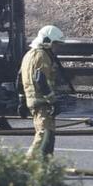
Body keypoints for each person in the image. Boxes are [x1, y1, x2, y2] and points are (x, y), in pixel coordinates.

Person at [20, 24, 66, 157]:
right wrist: (52, 101)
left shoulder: (28, 55)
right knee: (44, 135)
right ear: (47, 42)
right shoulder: (42, 56)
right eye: (56, 44)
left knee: (48, 134)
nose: (57, 48)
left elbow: (19, 78)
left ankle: (44, 166)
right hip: (42, 102)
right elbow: (40, 79)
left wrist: (22, 99)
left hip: (35, 101)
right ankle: (28, 165)